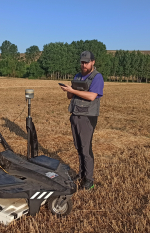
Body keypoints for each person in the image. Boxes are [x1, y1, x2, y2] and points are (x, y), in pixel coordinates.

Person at [60, 51, 104, 190]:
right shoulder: (78, 76)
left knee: (86, 149)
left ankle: (89, 180)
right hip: (75, 114)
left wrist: (73, 90)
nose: (84, 65)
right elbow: (69, 97)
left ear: (93, 62)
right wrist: (68, 90)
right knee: (79, 148)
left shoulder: (97, 77)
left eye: (86, 62)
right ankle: (81, 174)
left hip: (87, 117)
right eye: (82, 62)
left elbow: (92, 96)